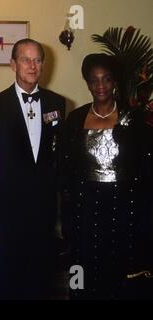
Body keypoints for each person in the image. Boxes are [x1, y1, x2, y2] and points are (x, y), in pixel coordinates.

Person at [59, 53, 153, 299]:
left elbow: (145, 168)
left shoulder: (133, 119)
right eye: (94, 80)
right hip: (87, 209)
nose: (100, 86)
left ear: (115, 82)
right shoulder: (76, 119)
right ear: (88, 84)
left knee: (120, 272)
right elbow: (66, 168)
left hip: (124, 209)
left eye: (106, 79)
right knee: (84, 271)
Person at [0, 39, 66, 299]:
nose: (32, 65)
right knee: (5, 279)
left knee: (40, 279)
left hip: (43, 209)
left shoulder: (57, 103)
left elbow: (57, 155)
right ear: (13, 64)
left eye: (37, 60)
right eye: (26, 60)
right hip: (7, 210)